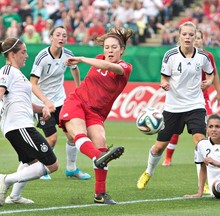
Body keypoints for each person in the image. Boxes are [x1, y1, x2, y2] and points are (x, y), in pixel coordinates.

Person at [59, 27, 133, 204]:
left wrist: (82, 59)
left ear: (121, 50)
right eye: (106, 47)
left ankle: (99, 194)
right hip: (77, 102)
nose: (109, 51)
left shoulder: (124, 67)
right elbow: (100, 64)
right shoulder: (98, 59)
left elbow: (108, 66)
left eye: (114, 47)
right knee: (80, 133)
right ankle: (97, 157)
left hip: (96, 113)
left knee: (101, 143)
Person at [137, 21, 214, 190]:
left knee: (201, 143)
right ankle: (148, 172)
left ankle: (205, 183)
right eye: (184, 34)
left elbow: (211, 74)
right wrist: (164, 84)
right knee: (159, 147)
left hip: (195, 105)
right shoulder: (170, 55)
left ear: (196, 37)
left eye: (191, 35)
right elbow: (163, 78)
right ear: (179, 36)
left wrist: (208, 83)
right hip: (173, 107)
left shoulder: (203, 57)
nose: (188, 37)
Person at [162, 29, 220, 194]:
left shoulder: (206, 56)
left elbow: (214, 75)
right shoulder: (177, 55)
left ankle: (213, 163)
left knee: (206, 132)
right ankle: (168, 157)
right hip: (180, 99)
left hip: (201, 98)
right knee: (175, 130)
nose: (194, 41)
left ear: (202, 40)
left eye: (197, 38)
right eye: (191, 37)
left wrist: (217, 92)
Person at [0, 37, 58, 206]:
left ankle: (15, 196)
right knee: (52, 165)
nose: (26, 55)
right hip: (19, 126)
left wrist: (43, 108)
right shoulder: (7, 71)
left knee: (32, 163)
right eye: (23, 52)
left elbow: (24, 102)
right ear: (12, 54)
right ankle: (6, 179)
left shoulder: (17, 74)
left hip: (21, 126)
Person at [29, 25, 90, 181]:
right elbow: (33, 84)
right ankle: (42, 168)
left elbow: (75, 69)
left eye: (64, 35)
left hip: (60, 101)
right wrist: (46, 102)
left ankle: (71, 169)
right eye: (58, 35)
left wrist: (78, 89)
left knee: (72, 135)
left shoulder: (68, 54)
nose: (61, 38)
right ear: (51, 37)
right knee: (52, 138)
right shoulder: (42, 57)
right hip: (41, 103)